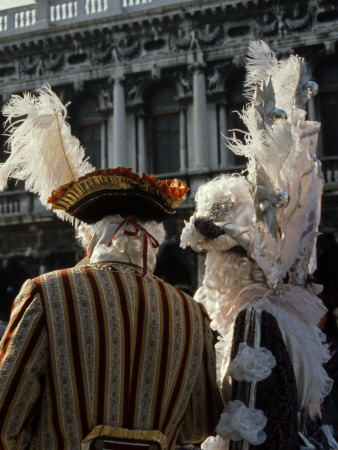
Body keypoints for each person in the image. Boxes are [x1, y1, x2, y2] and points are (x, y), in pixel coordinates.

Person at [0, 87, 223, 449]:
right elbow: (198, 425)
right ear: (151, 243)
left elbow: (6, 416)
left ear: (96, 239)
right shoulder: (192, 314)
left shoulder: (45, 293)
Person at [180, 41, 338, 449]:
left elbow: (255, 423)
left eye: (212, 260)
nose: (209, 272)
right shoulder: (291, 314)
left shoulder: (255, 317)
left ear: (228, 260)